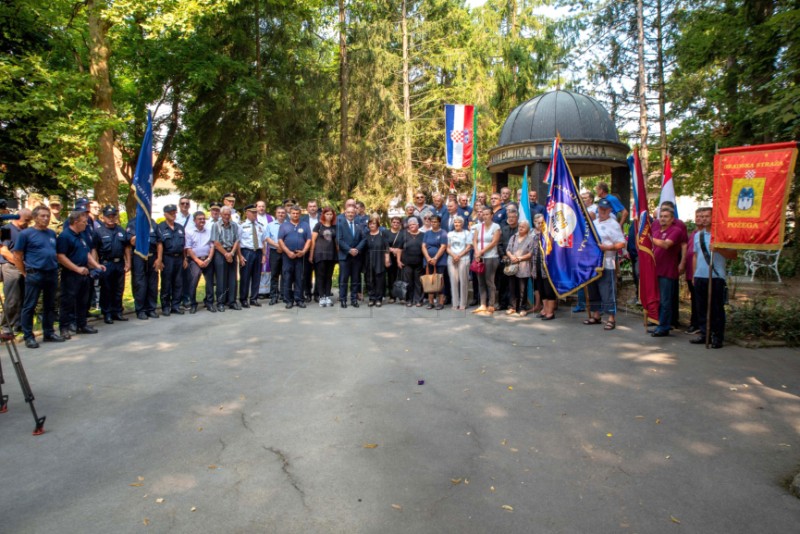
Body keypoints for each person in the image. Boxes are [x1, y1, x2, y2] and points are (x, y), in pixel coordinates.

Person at [16, 206, 64, 348]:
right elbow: (17, 255)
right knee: (29, 306)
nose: (46, 218)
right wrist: (24, 272)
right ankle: (28, 336)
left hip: (51, 273)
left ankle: (48, 332)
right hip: (34, 274)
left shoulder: (51, 233)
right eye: (42, 216)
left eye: (47, 216)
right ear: (35, 217)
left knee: (50, 305)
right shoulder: (26, 234)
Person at [690, 208, 737, 348]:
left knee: (716, 308)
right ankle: (705, 334)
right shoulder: (697, 235)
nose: (704, 219)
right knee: (701, 307)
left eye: (707, 216)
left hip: (716, 276)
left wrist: (719, 249)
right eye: (702, 216)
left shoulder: (722, 235)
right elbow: (695, 256)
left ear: (713, 217)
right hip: (700, 275)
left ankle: (717, 336)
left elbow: (734, 255)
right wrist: (694, 274)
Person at [57, 209, 105, 339]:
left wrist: (96, 265)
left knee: (83, 301)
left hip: (84, 273)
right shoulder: (65, 236)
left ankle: (81, 325)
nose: (86, 224)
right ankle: (64, 328)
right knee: (67, 302)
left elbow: (86, 254)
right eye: (84, 222)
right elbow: (61, 257)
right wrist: (76, 269)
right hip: (71, 274)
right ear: (76, 222)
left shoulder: (81, 235)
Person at [583, 199, 626, 330]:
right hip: (592, 263)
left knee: (607, 290)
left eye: (604, 210)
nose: (601, 211)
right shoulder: (593, 223)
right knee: (593, 289)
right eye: (600, 209)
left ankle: (611, 318)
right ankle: (596, 315)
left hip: (607, 263)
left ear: (610, 211)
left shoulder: (614, 224)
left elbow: (622, 243)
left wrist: (609, 247)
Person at [94, 205, 130, 324]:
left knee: (119, 289)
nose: (111, 218)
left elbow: (126, 247)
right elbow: (94, 249)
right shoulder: (99, 232)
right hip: (106, 263)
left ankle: (117, 312)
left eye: (113, 216)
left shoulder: (120, 230)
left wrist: (128, 262)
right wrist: (95, 265)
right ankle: (107, 313)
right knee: (106, 289)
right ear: (103, 217)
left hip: (119, 263)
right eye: (108, 216)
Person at [651, 208, 683, 337]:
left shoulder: (676, 231)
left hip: (667, 271)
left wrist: (649, 238)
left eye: (666, 216)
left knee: (665, 301)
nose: (663, 219)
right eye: (661, 216)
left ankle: (664, 327)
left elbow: (666, 245)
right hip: (655, 270)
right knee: (658, 299)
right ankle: (659, 323)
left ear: (672, 219)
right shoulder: (657, 231)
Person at [0, 209, 32, 336]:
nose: (28, 223)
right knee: (12, 298)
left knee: (23, 297)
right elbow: (4, 251)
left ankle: (18, 324)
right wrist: (19, 263)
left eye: (30, 221)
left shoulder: (25, 231)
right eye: (26, 220)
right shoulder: (6, 229)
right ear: (18, 217)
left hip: (24, 266)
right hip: (10, 266)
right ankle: (5, 326)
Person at [127, 214, 161, 320]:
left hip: (152, 256)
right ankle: (141, 310)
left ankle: (151, 309)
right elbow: (131, 242)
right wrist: (141, 230)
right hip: (139, 256)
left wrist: (159, 259)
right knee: (140, 284)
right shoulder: (133, 223)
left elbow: (159, 242)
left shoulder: (153, 223)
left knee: (153, 283)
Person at [278, 205, 312, 309]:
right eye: (293, 213)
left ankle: (299, 299)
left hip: (300, 256)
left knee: (299, 278)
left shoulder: (305, 225)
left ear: (300, 214)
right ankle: (289, 300)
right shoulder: (284, 226)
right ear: (290, 213)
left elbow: (309, 240)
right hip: (287, 256)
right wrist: (288, 252)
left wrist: (304, 251)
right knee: (287, 278)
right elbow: (280, 240)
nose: (295, 215)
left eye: (297, 213)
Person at [155, 205, 186, 316]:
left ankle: (176, 306)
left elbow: (183, 245)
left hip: (179, 258)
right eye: (170, 212)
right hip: (167, 258)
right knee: (166, 283)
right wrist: (160, 260)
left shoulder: (180, 227)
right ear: (165, 214)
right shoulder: (160, 227)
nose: (173, 214)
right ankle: (166, 306)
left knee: (178, 283)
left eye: (174, 212)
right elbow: (159, 244)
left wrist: (185, 258)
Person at [211, 206, 241, 311]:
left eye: (228, 214)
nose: (227, 216)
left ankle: (232, 301)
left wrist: (232, 253)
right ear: (221, 214)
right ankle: (220, 302)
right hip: (221, 253)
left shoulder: (234, 225)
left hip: (232, 252)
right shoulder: (216, 225)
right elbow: (216, 243)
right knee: (221, 278)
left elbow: (237, 240)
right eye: (225, 214)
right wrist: (226, 254)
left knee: (233, 278)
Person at [472, 206, 501, 315]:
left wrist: (482, 251)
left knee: (490, 281)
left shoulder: (496, 226)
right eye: (483, 214)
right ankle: (482, 304)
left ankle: (491, 304)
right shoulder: (478, 226)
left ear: (491, 215)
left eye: (487, 214)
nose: (485, 216)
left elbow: (494, 242)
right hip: (480, 257)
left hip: (491, 257)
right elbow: (474, 240)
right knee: (481, 282)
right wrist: (476, 252)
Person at [185, 211, 215, 313]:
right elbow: (188, 248)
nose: (202, 221)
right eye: (200, 219)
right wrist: (198, 261)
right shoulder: (189, 231)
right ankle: (193, 304)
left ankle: (209, 303)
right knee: (193, 282)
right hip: (194, 260)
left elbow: (212, 246)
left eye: (203, 219)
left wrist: (209, 259)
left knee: (210, 282)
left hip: (207, 259)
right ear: (194, 221)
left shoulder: (209, 231)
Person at [336, 205, 365, 308]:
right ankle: (343, 300)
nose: (350, 214)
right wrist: (349, 250)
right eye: (348, 212)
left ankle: (353, 300)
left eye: (352, 212)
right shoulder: (340, 225)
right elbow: (339, 240)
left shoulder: (360, 225)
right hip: (345, 256)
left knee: (355, 279)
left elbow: (364, 239)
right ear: (345, 213)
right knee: (343, 279)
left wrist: (357, 249)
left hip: (356, 257)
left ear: (355, 213)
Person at [505, 220, 536, 316]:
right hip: (512, 266)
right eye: (519, 226)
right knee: (512, 287)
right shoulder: (513, 237)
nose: (520, 228)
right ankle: (512, 307)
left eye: (523, 227)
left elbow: (531, 254)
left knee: (522, 288)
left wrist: (519, 258)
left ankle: (522, 307)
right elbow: (508, 250)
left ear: (527, 229)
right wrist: (511, 257)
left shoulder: (531, 239)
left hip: (524, 266)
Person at [238, 204, 265, 308]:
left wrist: (263, 255)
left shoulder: (260, 226)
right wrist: (240, 256)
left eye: (255, 212)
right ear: (246, 213)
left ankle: (254, 298)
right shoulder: (241, 225)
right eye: (252, 212)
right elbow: (238, 242)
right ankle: (243, 299)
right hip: (246, 252)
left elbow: (263, 241)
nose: (255, 214)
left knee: (256, 276)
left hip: (258, 252)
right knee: (245, 277)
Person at [310, 207, 337, 307]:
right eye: (327, 214)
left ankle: (327, 296)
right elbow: (313, 241)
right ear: (323, 215)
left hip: (331, 255)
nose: (329, 216)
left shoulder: (335, 227)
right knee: (320, 276)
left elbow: (336, 242)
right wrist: (311, 255)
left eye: (331, 214)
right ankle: (321, 297)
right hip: (320, 254)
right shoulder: (319, 225)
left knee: (328, 277)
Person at [685, 207, 705, 335]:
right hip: (690, 271)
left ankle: (699, 324)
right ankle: (694, 322)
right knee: (694, 299)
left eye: (702, 216)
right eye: (697, 216)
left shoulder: (706, 234)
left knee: (700, 300)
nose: (699, 219)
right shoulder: (694, 233)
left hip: (701, 272)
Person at [422, 214, 448, 310]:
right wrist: (428, 257)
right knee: (430, 280)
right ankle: (430, 302)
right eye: (432, 221)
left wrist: (435, 258)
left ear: (439, 222)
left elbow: (443, 246)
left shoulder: (443, 233)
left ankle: (440, 302)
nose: (433, 223)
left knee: (439, 281)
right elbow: (423, 246)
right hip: (428, 261)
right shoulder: (427, 233)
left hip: (440, 261)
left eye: (435, 222)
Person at [446, 215, 472, 310]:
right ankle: (455, 303)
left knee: (463, 281)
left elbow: (469, 247)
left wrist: (459, 256)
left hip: (464, 258)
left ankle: (463, 303)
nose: (457, 224)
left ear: (462, 223)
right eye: (455, 222)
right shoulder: (450, 234)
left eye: (459, 222)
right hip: (451, 258)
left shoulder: (467, 233)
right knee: (453, 281)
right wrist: (454, 255)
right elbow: (447, 247)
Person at [364, 215, 390, 307]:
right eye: (370, 224)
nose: (372, 225)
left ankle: (379, 299)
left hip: (379, 259)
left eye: (374, 223)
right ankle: (372, 298)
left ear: (377, 224)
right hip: (368, 260)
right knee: (370, 280)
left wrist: (387, 259)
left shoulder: (382, 234)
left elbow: (386, 247)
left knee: (379, 280)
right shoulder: (366, 235)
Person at [399, 216, 425, 307]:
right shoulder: (404, 234)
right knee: (408, 282)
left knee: (418, 282)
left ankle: (418, 300)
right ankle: (409, 300)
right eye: (410, 225)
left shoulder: (423, 235)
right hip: (407, 263)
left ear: (418, 225)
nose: (412, 226)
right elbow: (399, 249)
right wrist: (398, 260)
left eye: (414, 224)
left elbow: (425, 248)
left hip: (419, 262)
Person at [534, 213, 556, 319]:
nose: (539, 224)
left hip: (547, 266)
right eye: (537, 223)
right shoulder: (533, 235)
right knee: (541, 289)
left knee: (548, 289)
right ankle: (544, 309)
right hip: (536, 265)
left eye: (542, 223)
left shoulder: (549, 234)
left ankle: (550, 311)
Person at [265, 206, 286, 305]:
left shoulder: (288, 225)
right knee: (274, 275)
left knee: (285, 274)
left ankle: (284, 295)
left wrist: (283, 247)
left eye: (282, 212)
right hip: (274, 251)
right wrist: (277, 245)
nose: (281, 214)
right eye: (279, 213)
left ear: (285, 214)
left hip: (286, 252)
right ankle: (274, 296)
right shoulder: (270, 225)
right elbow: (267, 238)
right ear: (276, 214)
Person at [176, 197, 195, 308]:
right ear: (179, 205)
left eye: (187, 203)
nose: (185, 205)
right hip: (178, 250)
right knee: (177, 278)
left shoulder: (193, 218)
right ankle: (176, 300)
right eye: (182, 203)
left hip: (189, 251)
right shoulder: (176, 217)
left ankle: (186, 298)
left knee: (188, 277)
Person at [302, 199, 320, 302]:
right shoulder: (303, 219)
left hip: (319, 249)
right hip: (307, 249)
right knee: (306, 273)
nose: (312, 208)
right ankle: (307, 293)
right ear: (307, 208)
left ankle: (317, 294)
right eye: (310, 206)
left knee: (319, 273)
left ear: (317, 207)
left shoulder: (321, 218)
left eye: (314, 206)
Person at [384, 216, 404, 303]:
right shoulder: (386, 232)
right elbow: (384, 244)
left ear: (400, 224)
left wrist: (398, 250)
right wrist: (392, 250)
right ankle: (392, 297)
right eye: (394, 222)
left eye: (397, 222)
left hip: (401, 258)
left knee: (401, 277)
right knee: (391, 277)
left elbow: (405, 244)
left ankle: (402, 297)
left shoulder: (403, 233)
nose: (395, 224)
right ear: (391, 223)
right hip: (390, 257)